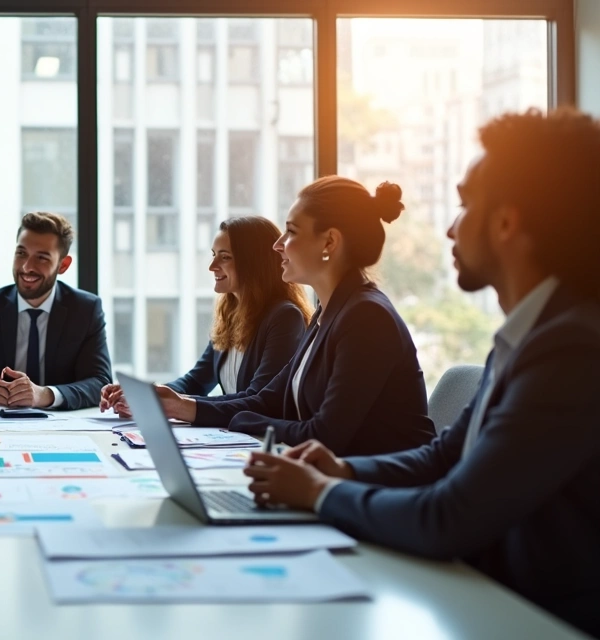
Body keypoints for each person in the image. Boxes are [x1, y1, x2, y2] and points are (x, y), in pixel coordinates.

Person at [243, 108, 600, 638]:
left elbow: (448, 518)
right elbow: (445, 456)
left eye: (464, 205)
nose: (451, 227)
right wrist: (345, 473)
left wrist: (318, 492)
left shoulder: (571, 348)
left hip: (534, 618)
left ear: (505, 223)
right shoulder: (530, 334)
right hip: (484, 596)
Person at [152, 177, 435, 456]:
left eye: (291, 232)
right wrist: (181, 405)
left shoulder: (367, 317)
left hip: (382, 489)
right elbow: (268, 400)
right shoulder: (329, 313)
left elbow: (324, 436)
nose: (278, 245)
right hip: (339, 479)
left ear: (329, 242)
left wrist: (246, 422)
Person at [99, 216, 312, 416]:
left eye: (225, 257)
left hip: (260, 441)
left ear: (255, 263)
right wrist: (145, 394)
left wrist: (178, 406)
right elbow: (196, 382)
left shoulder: (284, 317)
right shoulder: (230, 313)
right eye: (213, 254)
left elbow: (258, 399)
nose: (212, 266)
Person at [0, 212, 112, 410]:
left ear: (63, 265)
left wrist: (45, 395)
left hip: (61, 430)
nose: (27, 267)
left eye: (42, 258)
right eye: (21, 253)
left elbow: (100, 382)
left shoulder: (85, 310)